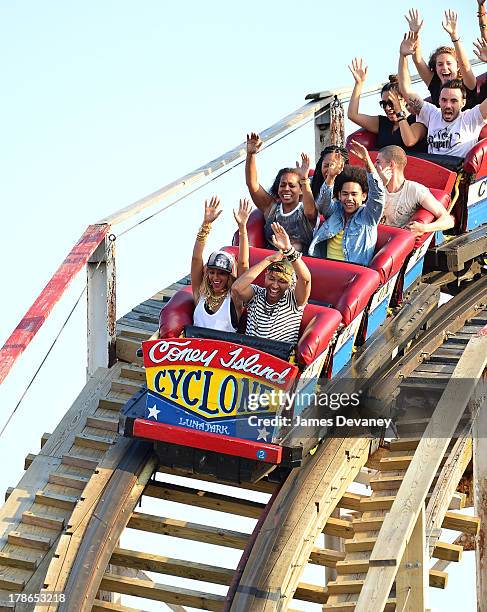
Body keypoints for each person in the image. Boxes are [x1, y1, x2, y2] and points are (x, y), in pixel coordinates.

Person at [308, 141, 388, 266]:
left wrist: (367, 161)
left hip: (352, 275)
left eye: (354, 194)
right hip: (325, 268)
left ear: (364, 196)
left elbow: (378, 194)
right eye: (345, 194)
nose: (349, 198)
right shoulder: (335, 211)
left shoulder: (368, 217)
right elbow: (323, 203)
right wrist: (331, 177)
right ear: (339, 195)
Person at [231, 223, 311, 345]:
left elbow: (305, 280)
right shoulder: (256, 293)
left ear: (291, 283)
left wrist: (289, 251)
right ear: (265, 276)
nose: (274, 285)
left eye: (282, 281)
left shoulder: (293, 299)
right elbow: (237, 288)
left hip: (278, 358)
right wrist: (268, 260)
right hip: (250, 357)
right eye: (271, 278)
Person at [245, 132, 318, 254]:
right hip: (272, 265)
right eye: (282, 185)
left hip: (299, 267)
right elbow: (252, 184)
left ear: (300, 190)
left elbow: (311, 213)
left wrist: (304, 179)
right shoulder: (271, 208)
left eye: (292, 185)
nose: (286, 189)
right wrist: (251, 155)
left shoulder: (306, 210)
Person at [191, 197, 251, 333]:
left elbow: (243, 263)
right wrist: (206, 225)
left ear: (230, 276)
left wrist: (242, 229)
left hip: (222, 353)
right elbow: (196, 259)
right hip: (194, 352)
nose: (215, 277)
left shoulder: (235, 298)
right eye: (212, 272)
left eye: (222, 273)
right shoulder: (200, 295)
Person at [401, 9, 479, 109]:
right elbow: (417, 59)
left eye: (449, 63)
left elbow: (465, 65)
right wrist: (415, 33)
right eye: (440, 64)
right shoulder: (434, 84)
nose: (444, 67)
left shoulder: (468, 83)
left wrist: (454, 36)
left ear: (458, 66)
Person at [347, 58, 427, 153]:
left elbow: (409, 141)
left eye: (391, 103)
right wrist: (359, 84)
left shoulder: (417, 120)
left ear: (404, 101)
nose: (387, 108)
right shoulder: (383, 123)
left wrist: (399, 112)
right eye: (384, 104)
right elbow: (352, 115)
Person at [399, 75, 487, 158]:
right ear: (439, 101)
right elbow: (406, 90)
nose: (448, 105)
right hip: (433, 170)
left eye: (454, 101)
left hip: (458, 172)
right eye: (444, 100)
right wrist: (403, 58)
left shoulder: (471, 118)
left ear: (463, 103)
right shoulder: (432, 113)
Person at [376, 145, 455, 236]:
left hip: (398, 242)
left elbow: (448, 221)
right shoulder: (375, 187)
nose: (375, 166)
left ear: (391, 165)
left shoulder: (415, 190)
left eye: (378, 162)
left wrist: (424, 228)